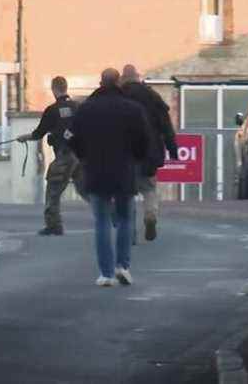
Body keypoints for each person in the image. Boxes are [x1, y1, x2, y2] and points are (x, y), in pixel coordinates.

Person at [66, 68, 149, 287]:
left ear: (100, 82)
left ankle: (105, 273)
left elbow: (70, 137)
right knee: (124, 219)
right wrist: (136, 159)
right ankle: (123, 265)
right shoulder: (133, 109)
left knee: (102, 221)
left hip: (95, 170)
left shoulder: (85, 109)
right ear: (119, 82)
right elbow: (144, 140)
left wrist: (84, 155)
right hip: (124, 171)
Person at [16, 76, 86, 236]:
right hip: (80, 156)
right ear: (66, 87)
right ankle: (112, 215)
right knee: (86, 189)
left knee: (53, 190)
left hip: (64, 155)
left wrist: (23, 138)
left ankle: (54, 225)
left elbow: (38, 134)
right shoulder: (78, 107)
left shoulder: (52, 110)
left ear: (54, 89)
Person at [119, 65, 178, 242]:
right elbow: (165, 124)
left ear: (123, 79)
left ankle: (130, 233)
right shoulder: (152, 96)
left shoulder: (119, 96)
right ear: (138, 77)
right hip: (149, 151)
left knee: (127, 192)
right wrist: (172, 148)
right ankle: (150, 215)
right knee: (149, 188)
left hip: (125, 152)